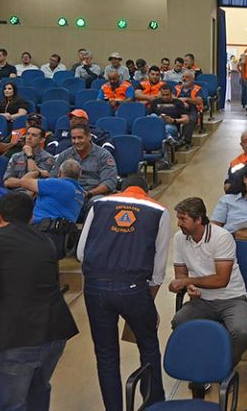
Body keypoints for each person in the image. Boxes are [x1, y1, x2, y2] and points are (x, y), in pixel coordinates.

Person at [77, 175, 170, 411]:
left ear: (122, 188)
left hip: (95, 287)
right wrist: (150, 300)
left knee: (106, 355)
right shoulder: (159, 211)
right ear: (146, 191)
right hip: (134, 289)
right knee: (148, 346)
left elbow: (81, 253)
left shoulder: (99, 204)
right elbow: (159, 269)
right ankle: (153, 405)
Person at [0, 192, 78, 411]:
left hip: (15, 337)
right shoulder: (45, 240)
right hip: (54, 332)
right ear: (31, 216)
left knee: (10, 404)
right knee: (37, 393)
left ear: (1, 214)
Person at [170, 197, 247, 366]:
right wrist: (189, 286)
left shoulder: (221, 237)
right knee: (179, 322)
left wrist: (187, 281)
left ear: (199, 219)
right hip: (202, 300)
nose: (179, 224)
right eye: (178, 218)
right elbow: (181, 275)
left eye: (183, 219)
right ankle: (201, 361)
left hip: (232, 298)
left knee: (241, 332)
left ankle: (224, 365)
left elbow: (221, 280)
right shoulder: (179, 238)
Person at [14, 159, 85, 258]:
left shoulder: (58, 184)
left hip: (43, 234)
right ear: (79, 176)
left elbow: (23, 181)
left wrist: (38, 172)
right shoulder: (81, 193)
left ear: (59, 173)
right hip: (63, 239)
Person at [51, 124, 118, 206]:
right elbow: (53, 177)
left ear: (89, 137)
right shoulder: (64, 155)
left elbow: (109, 182)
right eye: (74, 138)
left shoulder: (103, 155)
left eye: (80, 138)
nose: (76, 141)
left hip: (93, 195)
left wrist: (89, 193)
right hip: (68, 193)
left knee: (97, 202)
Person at [46, 109, 113, 156]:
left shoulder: (96, 132)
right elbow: (51, 143)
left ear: (85, 121)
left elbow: (107, 144)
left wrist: (101, 158)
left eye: (75, 119)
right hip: (61, 162)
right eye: (71, 119)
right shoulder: (62, 132)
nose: (72, 121)